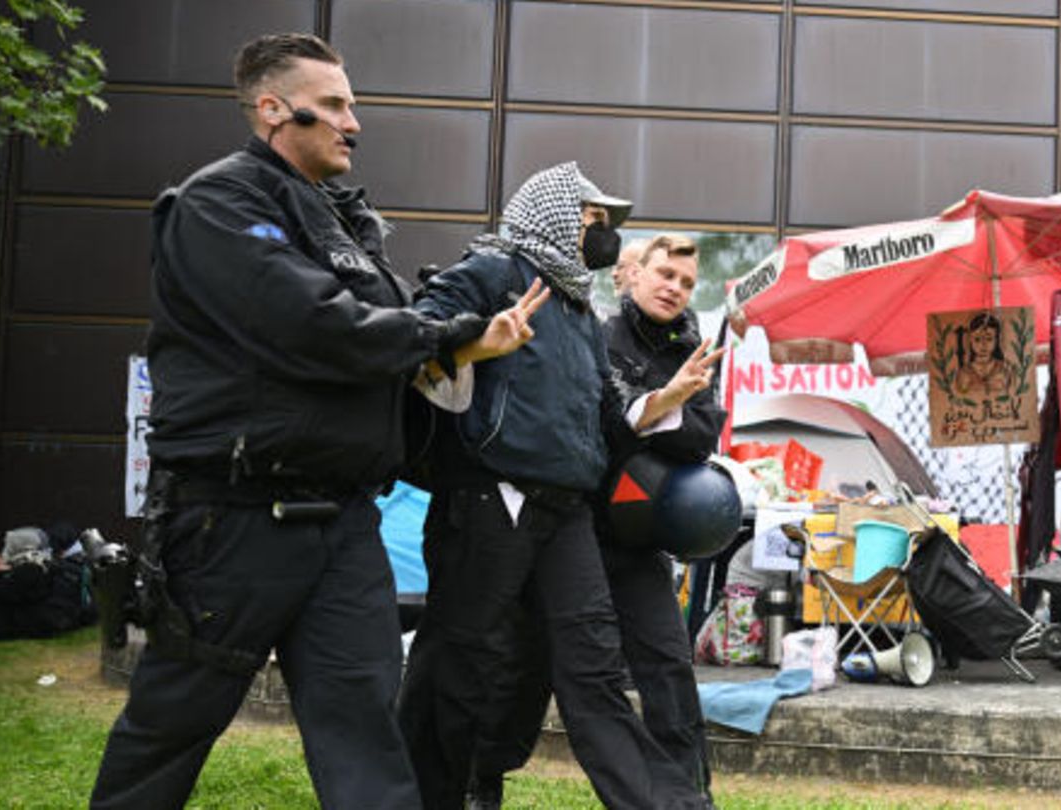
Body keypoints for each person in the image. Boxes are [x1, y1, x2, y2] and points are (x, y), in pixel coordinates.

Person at [90, 33, 543, 810]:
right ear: (273, 109)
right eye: (333, 104)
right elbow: (311, 323)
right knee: (172, 725)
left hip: (344, 524)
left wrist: (459, 355)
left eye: (352, 105)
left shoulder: (346, 227)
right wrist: (444, 336)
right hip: (231, 519)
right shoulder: (215, 203)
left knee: (367, 730)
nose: (353, 123)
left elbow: (383, 348)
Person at [399, 163, 719, 810]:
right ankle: (427, 793)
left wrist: (666, 399)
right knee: (457, 662)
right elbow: (416, 332)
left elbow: (609, 416)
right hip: (492, 499)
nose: (601, 234)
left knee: (595, 671)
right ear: (553, 213)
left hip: (566, 513)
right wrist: (476, 344)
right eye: (592, 219)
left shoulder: (576, 307)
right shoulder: (494, 271)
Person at [469, 232, 727, 806]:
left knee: (668, 666)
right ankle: (480, 780)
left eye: (686, 282)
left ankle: (689, 796)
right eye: (664, 274)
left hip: (641, 545)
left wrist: (655, 409)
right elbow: (602, 425)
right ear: (632, 274)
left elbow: (702, 435)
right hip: (573, 533)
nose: (674, 288)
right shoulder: (597, 334)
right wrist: (659, 406)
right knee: (523, 671)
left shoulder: (695, 348)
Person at [954, 312, 1016, 397]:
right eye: (977, 339)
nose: (983, 344)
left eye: (989, 339)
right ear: (970, 341)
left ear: (996, 340)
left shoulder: (1005, 370)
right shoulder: (964, 373)